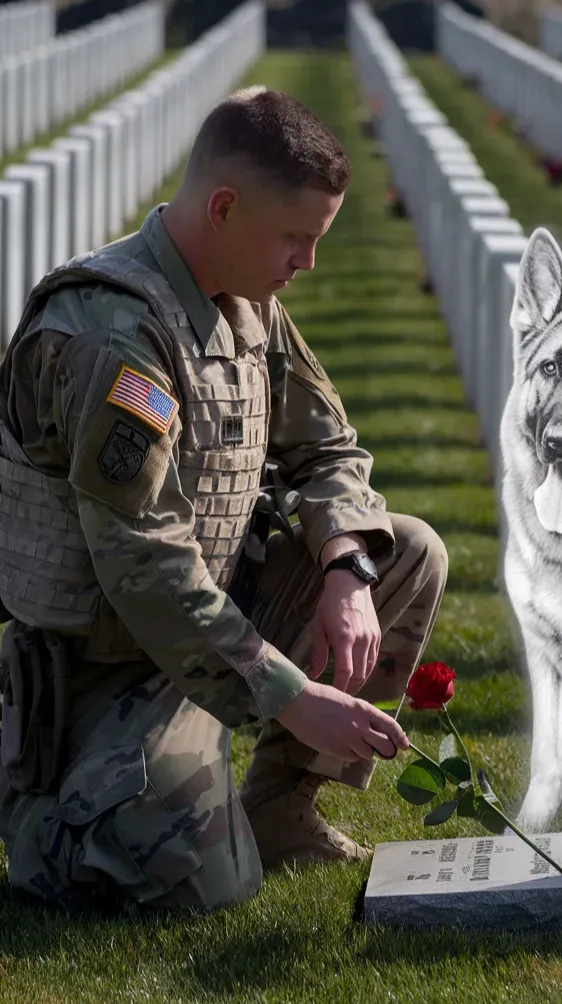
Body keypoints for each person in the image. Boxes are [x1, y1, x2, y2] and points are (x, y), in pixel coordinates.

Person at [0, 85, 448, 912]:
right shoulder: (115, 336)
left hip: (216, 610)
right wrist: (293, 696)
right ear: (225, 207)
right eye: (297, 237)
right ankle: (49, 818)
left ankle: (279, 810)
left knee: (407, 550)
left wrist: (346, 565)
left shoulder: (249, 304)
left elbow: (329, 446)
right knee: (203, 888)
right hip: (111, 661)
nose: (308, 262)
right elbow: (144, 565)